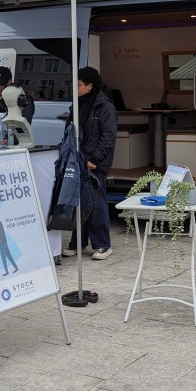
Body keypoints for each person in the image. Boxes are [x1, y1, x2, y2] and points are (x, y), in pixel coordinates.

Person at [62, 67, 117, 260]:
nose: (75, 88)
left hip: (93, 163)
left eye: (78, 85)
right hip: (77, 160)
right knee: (79, 203)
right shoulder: (76, 105)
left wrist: (94, 160)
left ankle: (103, 245)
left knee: (96, 203)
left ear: (90, 85)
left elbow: (108, 137)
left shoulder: (105, 107)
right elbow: (69, 131)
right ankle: (78, 243)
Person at [0, 66, 35, 146]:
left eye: (2, 85)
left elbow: (24, 125)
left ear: (10, 81)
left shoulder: (22, 98)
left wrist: (10, 140)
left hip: (16, 146)